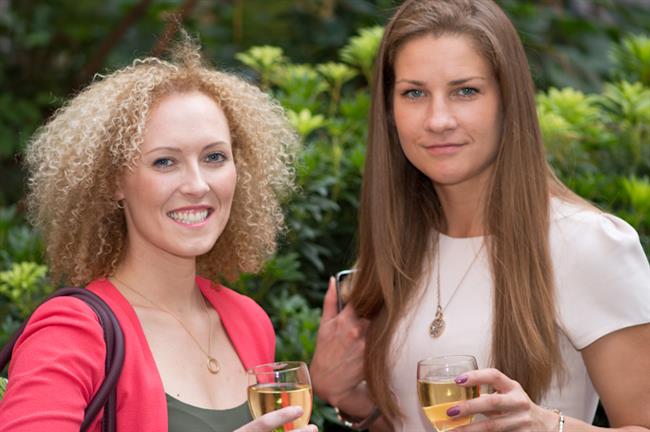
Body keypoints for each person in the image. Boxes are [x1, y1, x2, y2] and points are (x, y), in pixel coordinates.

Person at [310, 0, 650, 431]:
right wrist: (349, 398)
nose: (438, 119)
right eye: (414, 93)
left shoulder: (589, 244)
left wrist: (547, 425)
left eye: (465, 90)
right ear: (389, 112)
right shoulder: (399, 249)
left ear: (508, 101)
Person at [0, 35, 317, 432]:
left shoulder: (248, 320)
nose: (198, 184)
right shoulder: (71, 332)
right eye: (165, 161)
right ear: (115, 180)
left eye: (214, 157)